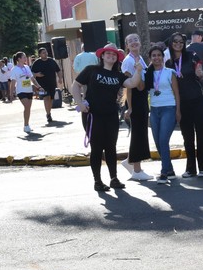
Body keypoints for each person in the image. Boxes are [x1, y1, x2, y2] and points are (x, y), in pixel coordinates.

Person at [71, 43, 143, 192]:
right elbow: (75, 85)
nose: (111, 56)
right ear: (102, 56)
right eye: (108, 53)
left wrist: (138, 70)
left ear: (117, 58)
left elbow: (132, 83)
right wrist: (80, 104)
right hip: (92, 115)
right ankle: (97, 181)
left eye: (114, 54)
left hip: (111, 115)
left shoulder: (117, 75)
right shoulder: (92, 70)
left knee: (111, 147)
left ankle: (113, 179)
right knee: (96, 148)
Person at [166, 32, 203, 178]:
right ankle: (191, 168)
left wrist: (200, 73)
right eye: (175, 41)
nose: (178, 44)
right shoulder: (168, 63)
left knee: (202, 134)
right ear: (171, 43)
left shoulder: (192, 55)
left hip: (197, 98)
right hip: (182, 102)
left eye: (181, 41)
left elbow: (200, 70)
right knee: (187, 136)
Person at [145, 45, 181, 184]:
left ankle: (164, 172)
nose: (156, 58)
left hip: (169, 108)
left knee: (163, 140)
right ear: (150, 58)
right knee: (158, 142)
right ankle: (170, 169)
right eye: (153, 55)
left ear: (163, 57)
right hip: (154, 110)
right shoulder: (147, 73)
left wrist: (178, 110)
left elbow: (177, 93)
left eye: (159, 55)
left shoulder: (170, 72)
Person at [120, 33, 153, 181]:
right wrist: (130, 107)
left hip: (142, 98)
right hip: (136, 100)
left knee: (141, 132)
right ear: (127, 46)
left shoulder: (139, 59)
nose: (134, 42)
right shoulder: (128, 61)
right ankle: (137, 170)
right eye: (130, 41)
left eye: (136, 40)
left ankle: (129, 161)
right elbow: (129, 87)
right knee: (138, 134)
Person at [10, 52, 43, 133]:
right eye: (24, 57)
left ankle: (26, 125)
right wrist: (11, 94)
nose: (25, 59)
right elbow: (13, 83)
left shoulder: (27, 67)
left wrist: (39, 86)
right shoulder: (14, 69)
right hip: (21, 91)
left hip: (29, 90)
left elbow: (32, 79)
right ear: (19, 59)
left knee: (28, 108)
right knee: (27, 106)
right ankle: (26, 125)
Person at [31, 47, 63, 123]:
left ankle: (49, 112)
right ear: (40, 54)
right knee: (46, 98)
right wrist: (36, 74)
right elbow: (31, 74)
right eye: (43, 53)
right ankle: (48, 114)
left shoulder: (52, 61)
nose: (45, 54)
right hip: (42, 86)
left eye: (46, 52)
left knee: (51, 98)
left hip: (52, 83)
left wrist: (60, 78)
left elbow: (58, 70)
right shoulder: (36, 63)